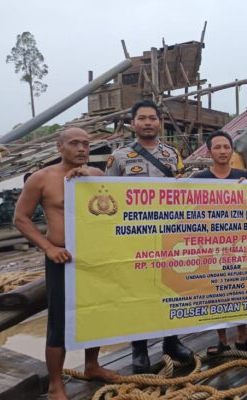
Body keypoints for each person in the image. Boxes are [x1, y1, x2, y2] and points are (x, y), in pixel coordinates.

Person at [14, 128, 119, 400]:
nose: (81, 148)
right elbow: (21, 218)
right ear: (59, 147)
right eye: (74, 143)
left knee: (95, 313)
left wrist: (90, 178)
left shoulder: (96, 176)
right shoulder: (42, 178)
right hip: (62, 257)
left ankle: (92, 365)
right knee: (59, 322)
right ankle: (55, 384)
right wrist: (48, 247)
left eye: (85, 144)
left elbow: (116, 202)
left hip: (95, 256)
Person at [105, 99, 194, 374]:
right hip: (136, 237)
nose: (147, 122)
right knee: (138, 290)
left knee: (171, 285)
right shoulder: (119, 158)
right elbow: (106, 197)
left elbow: (184, 192)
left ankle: (171, 340)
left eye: (152, 118)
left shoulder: (172, 154)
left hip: (169, 234)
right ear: (133, 123)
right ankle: (140, 347)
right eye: (141, 118)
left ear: (159, 122)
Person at [192, 131, 247, 355]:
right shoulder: (198, 179)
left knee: (241, 289)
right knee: (215, 292)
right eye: (217, 147)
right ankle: (222, 339)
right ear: (209, 151)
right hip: (210, 246)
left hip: (239, 245)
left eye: (226, 147)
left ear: (231, 150)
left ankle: (242, 335)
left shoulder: (242, 177)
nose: (222, 151)